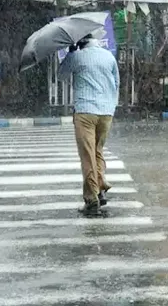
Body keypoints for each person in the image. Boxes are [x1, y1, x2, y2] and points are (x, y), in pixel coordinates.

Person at [58, 34, 120, 216]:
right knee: (97, 151)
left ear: (80, 42)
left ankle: (91, 199)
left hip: (85, 111)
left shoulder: (76, 56)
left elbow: (61, 75)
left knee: (87, 156)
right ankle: (100, 189)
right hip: (106, 112)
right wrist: (110, 105)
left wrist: (70, 53)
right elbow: (116, 83)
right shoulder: (108, 56)